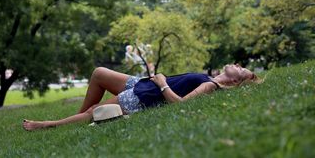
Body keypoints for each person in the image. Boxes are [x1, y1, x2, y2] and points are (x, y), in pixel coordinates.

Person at [22, 64, 261, 131]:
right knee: (98, 74)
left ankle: (48, 125)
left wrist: (163, 83)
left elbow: (181, 105)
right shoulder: (208, 77)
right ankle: (76, 118)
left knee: (93, 113)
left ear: (235, 81)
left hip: (141, 98)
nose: (238, 65)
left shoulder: (210, 87)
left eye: (242, 70)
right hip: (142, 85)